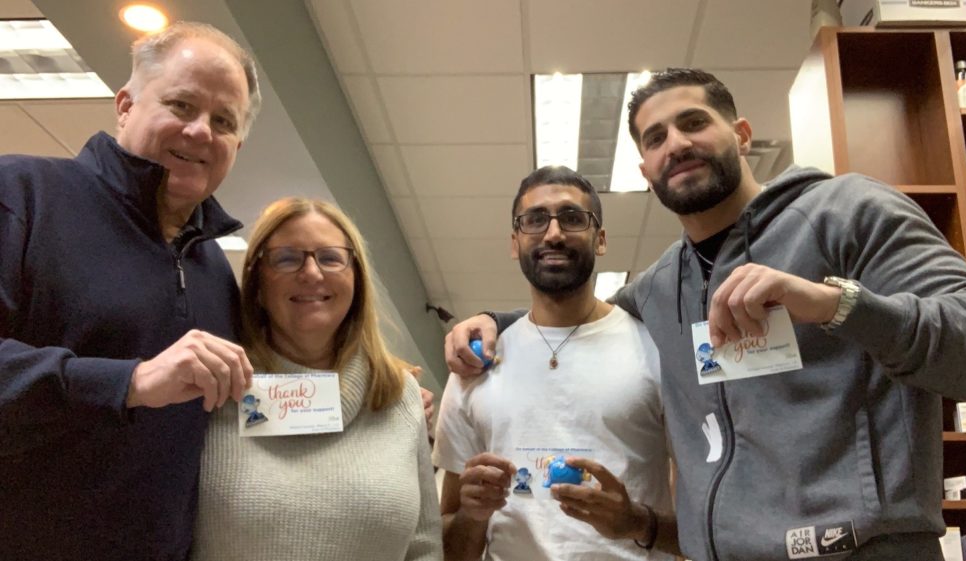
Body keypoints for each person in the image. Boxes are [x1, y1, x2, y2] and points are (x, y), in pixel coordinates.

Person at [444, 69, 966, 561]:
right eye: (655, 138)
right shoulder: (661, 287)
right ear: (646, 171)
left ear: (742, 135)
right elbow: (576, 318)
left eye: (693, 123)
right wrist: (494, 320)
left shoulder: (847, 212)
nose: (675, 143)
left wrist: (835, 303)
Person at [0, 22, 260, 560]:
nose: (200, 132)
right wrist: (130, 380)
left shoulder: (214, 269)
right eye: (181, 105)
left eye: (223, 121)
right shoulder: (21, 193)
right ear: (125, 105)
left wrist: (378, 393)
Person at [433, 166, 680, 561]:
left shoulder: (655, 349)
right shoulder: (473, 365)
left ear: (599, 240)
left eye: (572, 218)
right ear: (515, 242)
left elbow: (706, 526)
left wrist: (635, 521)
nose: (553, 233)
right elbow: (449, 550)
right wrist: (474, 515)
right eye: (534, 220)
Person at [192, 197, 442, 561]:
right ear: (257, 282)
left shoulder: (398, 396)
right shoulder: (214, 385)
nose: (311, 273)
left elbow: (424, 547)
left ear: (356, 278)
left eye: (330, 257)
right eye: (287, 258)